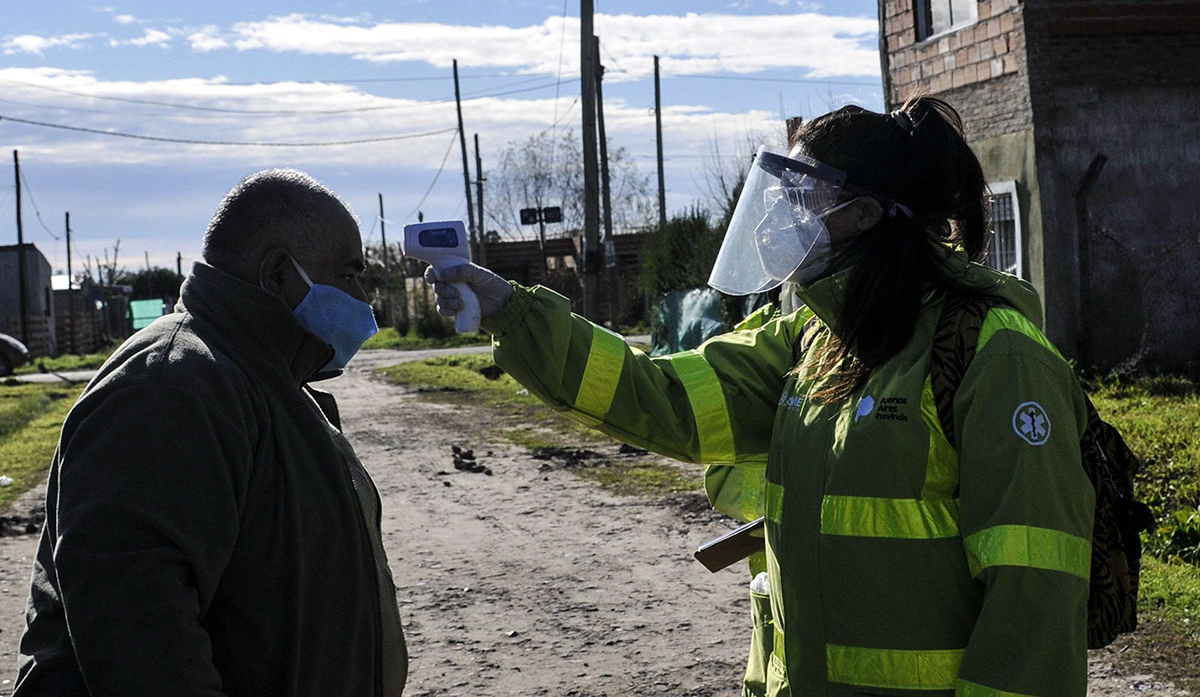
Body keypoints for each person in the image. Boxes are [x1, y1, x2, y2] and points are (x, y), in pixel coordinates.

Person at [430, 98, 1093, 697]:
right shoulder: (808, 335)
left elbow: (1035, 596)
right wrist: (512, 312)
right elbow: (656, 395)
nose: (775, 216)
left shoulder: (993, 352)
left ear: (862, 213)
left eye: (799, 195)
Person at [13, 169, 406, 696]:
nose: (361, 298)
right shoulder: (172, 386)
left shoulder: (266, 379)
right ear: (279, 273)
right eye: (350, 275)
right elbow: (139, 637)